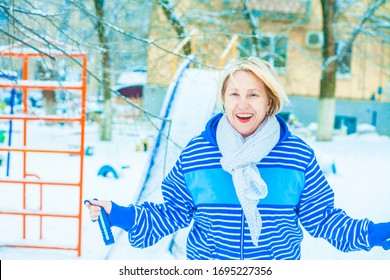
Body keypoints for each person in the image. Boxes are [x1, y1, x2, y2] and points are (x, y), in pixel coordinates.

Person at [85, 56, 390, 260]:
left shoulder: (297, 156)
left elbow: (324, 219)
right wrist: (121, 215)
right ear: (223, 99)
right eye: (234, 94)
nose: (242, 104)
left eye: (253, 94)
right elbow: (171, 212)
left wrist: (376, 233)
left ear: (270, 100)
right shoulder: (199, 153)